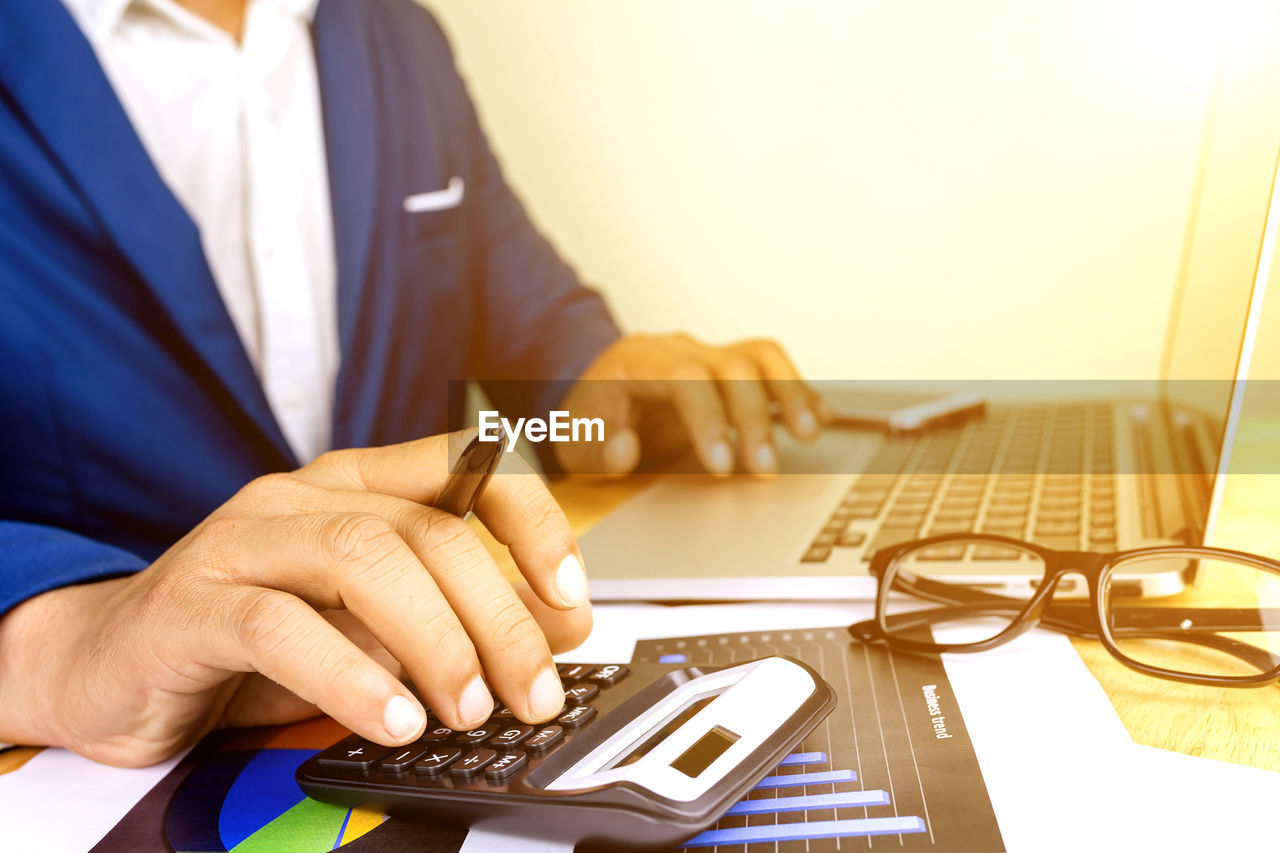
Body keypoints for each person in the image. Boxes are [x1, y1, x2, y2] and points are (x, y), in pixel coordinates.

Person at [0, 0, 825, 766]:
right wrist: (58, 642)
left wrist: (603, 391)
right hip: (120, 753)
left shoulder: (395, 34)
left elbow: (530, 328)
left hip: (434, 709)